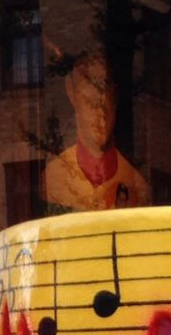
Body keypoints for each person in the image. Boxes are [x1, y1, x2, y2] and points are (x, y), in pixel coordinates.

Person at [45, 51, 148, 214]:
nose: (101, 111)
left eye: (105, 96)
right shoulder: (53, 178)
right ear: (72, 94)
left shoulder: (137, 184)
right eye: (91, 100)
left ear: (114, 98)